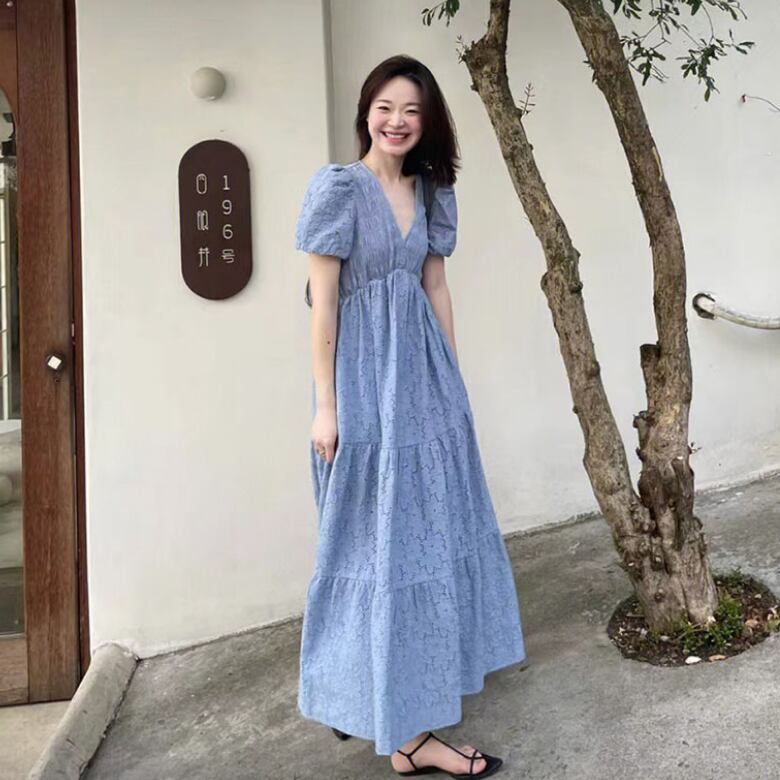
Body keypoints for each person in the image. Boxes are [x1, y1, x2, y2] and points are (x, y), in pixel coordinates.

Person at [295, 54, 526, 778]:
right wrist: (327, 408)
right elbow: (323, 305)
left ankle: (396, 714)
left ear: (428, 124)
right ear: (366, 111)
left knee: (426, 542)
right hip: (363, 391)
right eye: (385, 107)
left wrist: (453, 379)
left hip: (425, 388)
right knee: (373, 550)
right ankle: (406, 734)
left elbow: (435, 287)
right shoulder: (339, 189)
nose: (396, 121)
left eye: (412, 111)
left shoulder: (431, 191)